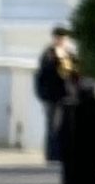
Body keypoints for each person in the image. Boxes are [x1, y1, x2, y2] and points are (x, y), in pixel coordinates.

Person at [33, 26, 76, 161]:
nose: (61, 41)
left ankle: (60, 153)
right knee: (52, 126)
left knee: (63, 126)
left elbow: (69, 74)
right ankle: (52, 155)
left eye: (63, 38)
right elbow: (49, 73)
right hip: (52, 96)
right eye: (58, 38)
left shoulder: (69, 54)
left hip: (66, 95)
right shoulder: (48, 54)